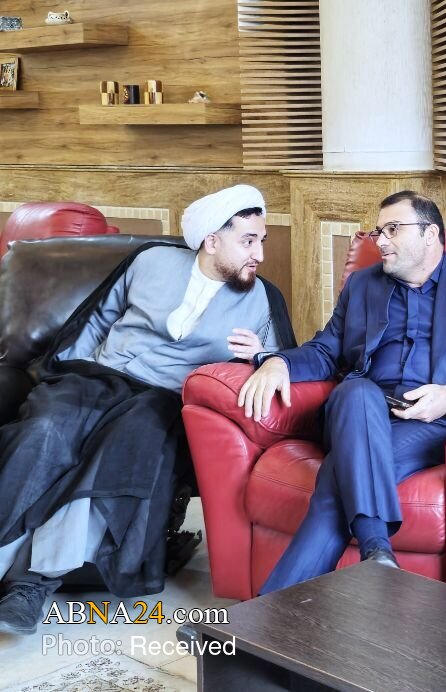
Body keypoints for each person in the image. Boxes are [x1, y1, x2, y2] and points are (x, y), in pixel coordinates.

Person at [0, 184, 294, 634]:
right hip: (96, 378)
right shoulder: (150, 261)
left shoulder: (261, 299)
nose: (259, 254)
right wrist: (72, 368)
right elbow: (98, 318)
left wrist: (260, 356)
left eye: (262, 241)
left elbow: (280, 363)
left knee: (119, 458)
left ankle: (32, 583)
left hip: (161, 398)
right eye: (248, 241)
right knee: (44, 432)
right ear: (212, 240)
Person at [239, 190, 446, 592]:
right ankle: (376, 549)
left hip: (433, 422)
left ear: (430, 234)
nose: (380, 240)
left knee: (338, 477)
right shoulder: (363, 285)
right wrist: (278, 362)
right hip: (358, 411)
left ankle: (274, 614)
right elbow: (327, 350)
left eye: (393, 229)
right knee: (357, 392)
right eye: (378, 231)